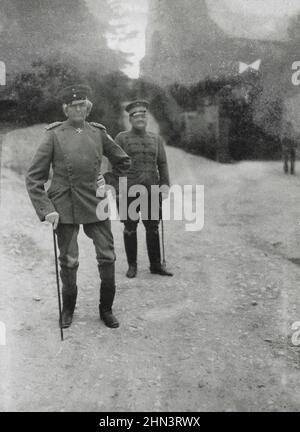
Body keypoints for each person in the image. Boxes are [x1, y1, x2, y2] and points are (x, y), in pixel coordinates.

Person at [25, 84, 131, 329]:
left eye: (82, 104)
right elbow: (34, 177)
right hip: (64, 204)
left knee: (107, 256)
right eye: (73, 106)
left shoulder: (97, 132)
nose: (78, 109)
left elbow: (123, 161)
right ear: (65, 109)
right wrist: (47, 209)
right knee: (69, 260)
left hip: (96, 202)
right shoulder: (53, 135)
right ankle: (68, 308)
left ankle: (106, 309)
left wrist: (110, 179)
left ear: (88, 106)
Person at [114, 100, 173, 278]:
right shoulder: (121, 138)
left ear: (147, 118)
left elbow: (162, 164)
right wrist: (116, 189)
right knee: (130, 228)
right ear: (130, 119)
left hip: (151, 190)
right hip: (128, 190)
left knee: (153, 227)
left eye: (143, 115)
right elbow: (113, 164)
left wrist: (164, 185)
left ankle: (155, 265)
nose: (140, 119)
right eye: (136, 116)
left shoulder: (156, 139)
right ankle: (132, 266)